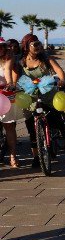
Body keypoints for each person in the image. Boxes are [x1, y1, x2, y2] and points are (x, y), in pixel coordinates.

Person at [19, 34, 65, 168]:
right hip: (30, 96)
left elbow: (59, 70)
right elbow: (14, 76)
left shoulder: (47, 59)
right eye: (35, 44)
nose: (39, 46)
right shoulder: (21, 62)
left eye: (39, 43)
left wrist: (62, 80)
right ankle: (36, 156)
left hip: (47, 93)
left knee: (54, 117)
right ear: (27, 46)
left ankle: (56, 131)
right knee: (31, 128)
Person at [0, 38, 20, 167]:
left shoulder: (9, 57)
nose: (1, 49)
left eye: (2, 46)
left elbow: (7, 71)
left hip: (4, 93)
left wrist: (10, 84)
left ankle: (13, 155)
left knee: (9, 126)